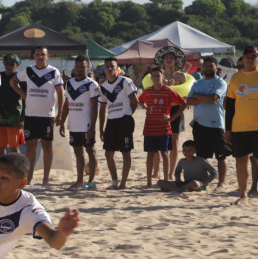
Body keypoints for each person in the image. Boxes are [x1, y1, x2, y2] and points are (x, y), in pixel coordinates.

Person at [10, 46, 64, 185]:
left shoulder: (53, 71)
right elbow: (13, 82)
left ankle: (45, 179)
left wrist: (60, 113)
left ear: (48, 56)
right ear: (34, 56)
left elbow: (60, 92)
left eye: (43, 54)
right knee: (31, 147)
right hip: (31, 115)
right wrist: (23, 94)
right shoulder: (28, 70)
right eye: (38, 54)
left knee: (47, 147)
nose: (40, 57)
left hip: (47, 116)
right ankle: (29, 178)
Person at [145, 47, 195, 180]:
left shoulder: (181, 76)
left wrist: (186, 99)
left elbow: (187, 91)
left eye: (171, 58)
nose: (168, 60)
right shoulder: (158, 75)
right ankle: (156, 171)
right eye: (166, 58)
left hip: (175, 110)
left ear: (175, 60)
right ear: (163, 61)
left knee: (174, 141)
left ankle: (171, 172)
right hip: (159, 110)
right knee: (156, 142)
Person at [186, 57, 229, 192]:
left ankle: (221, 184)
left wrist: (198, 97)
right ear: (203, 68)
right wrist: (203, 98)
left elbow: (214, 99)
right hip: (199, 124)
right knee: (201, 157)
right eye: (207, 66)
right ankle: (202, 183)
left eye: (212, 66)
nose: (209, 68)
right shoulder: (198, 83)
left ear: (217, 68)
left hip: (216, 124)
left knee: (221, 156)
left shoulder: (220, 82)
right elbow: (189, 101)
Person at [139, 67, 186, 187]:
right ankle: (149, 181)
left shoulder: (168, 91)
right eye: (153, 75)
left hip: (164, 128)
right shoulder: (148, 91)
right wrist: (146, 108)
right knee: (150, 154)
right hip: (149, 128)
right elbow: (140, 100)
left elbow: (183, 103)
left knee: (165, 153)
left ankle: (165, 179)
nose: (155, 78)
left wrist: (171, 118)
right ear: (151, 78)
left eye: (158, 75)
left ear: (163, 76)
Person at [59, 56, 100, 190]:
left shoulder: (91, 84)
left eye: (82, 67)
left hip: (87, 125)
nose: (80, 69)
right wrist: (62, 122)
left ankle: (91, 182)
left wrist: (92, 127)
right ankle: (79, 181)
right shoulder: (69, 83)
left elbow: (94, 107)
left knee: (91, 151)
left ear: (87, 67)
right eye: (77, 67)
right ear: (74, 68)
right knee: (78, 153)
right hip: (74, 125)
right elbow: (66, 105)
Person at [98, 57, 140, 190]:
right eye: (107, 66)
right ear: (104, 69)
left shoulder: (125, 81)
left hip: (124, 120)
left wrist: (128, 115)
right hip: (111, 121)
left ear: (117, 68)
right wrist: (100, 129)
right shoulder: (103, 87)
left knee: (125, 152)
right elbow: (102, 109)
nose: (110, 69)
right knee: (108, 153)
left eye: (112, 66)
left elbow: (135, 101)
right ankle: (115, 181)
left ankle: (123, 183)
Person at [225, 45, 258, 205]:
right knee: (241, 161)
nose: (250, 59)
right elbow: (230, 106)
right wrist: (228, 129)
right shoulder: (235, 78)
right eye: (247, 56)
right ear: (243, 58)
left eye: (253, 56)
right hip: (239, 127)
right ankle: (243, 195)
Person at [0, 54, 26, 158]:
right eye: (7, 63)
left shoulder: (21, 79)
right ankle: (1, 171)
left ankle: (17, 171)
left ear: (16, 65)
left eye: (12, 64)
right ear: (3, 63)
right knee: (0, 148)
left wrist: (22, 119)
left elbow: (26, 100)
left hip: (14, 118)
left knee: (14, 148)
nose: (9, 66)